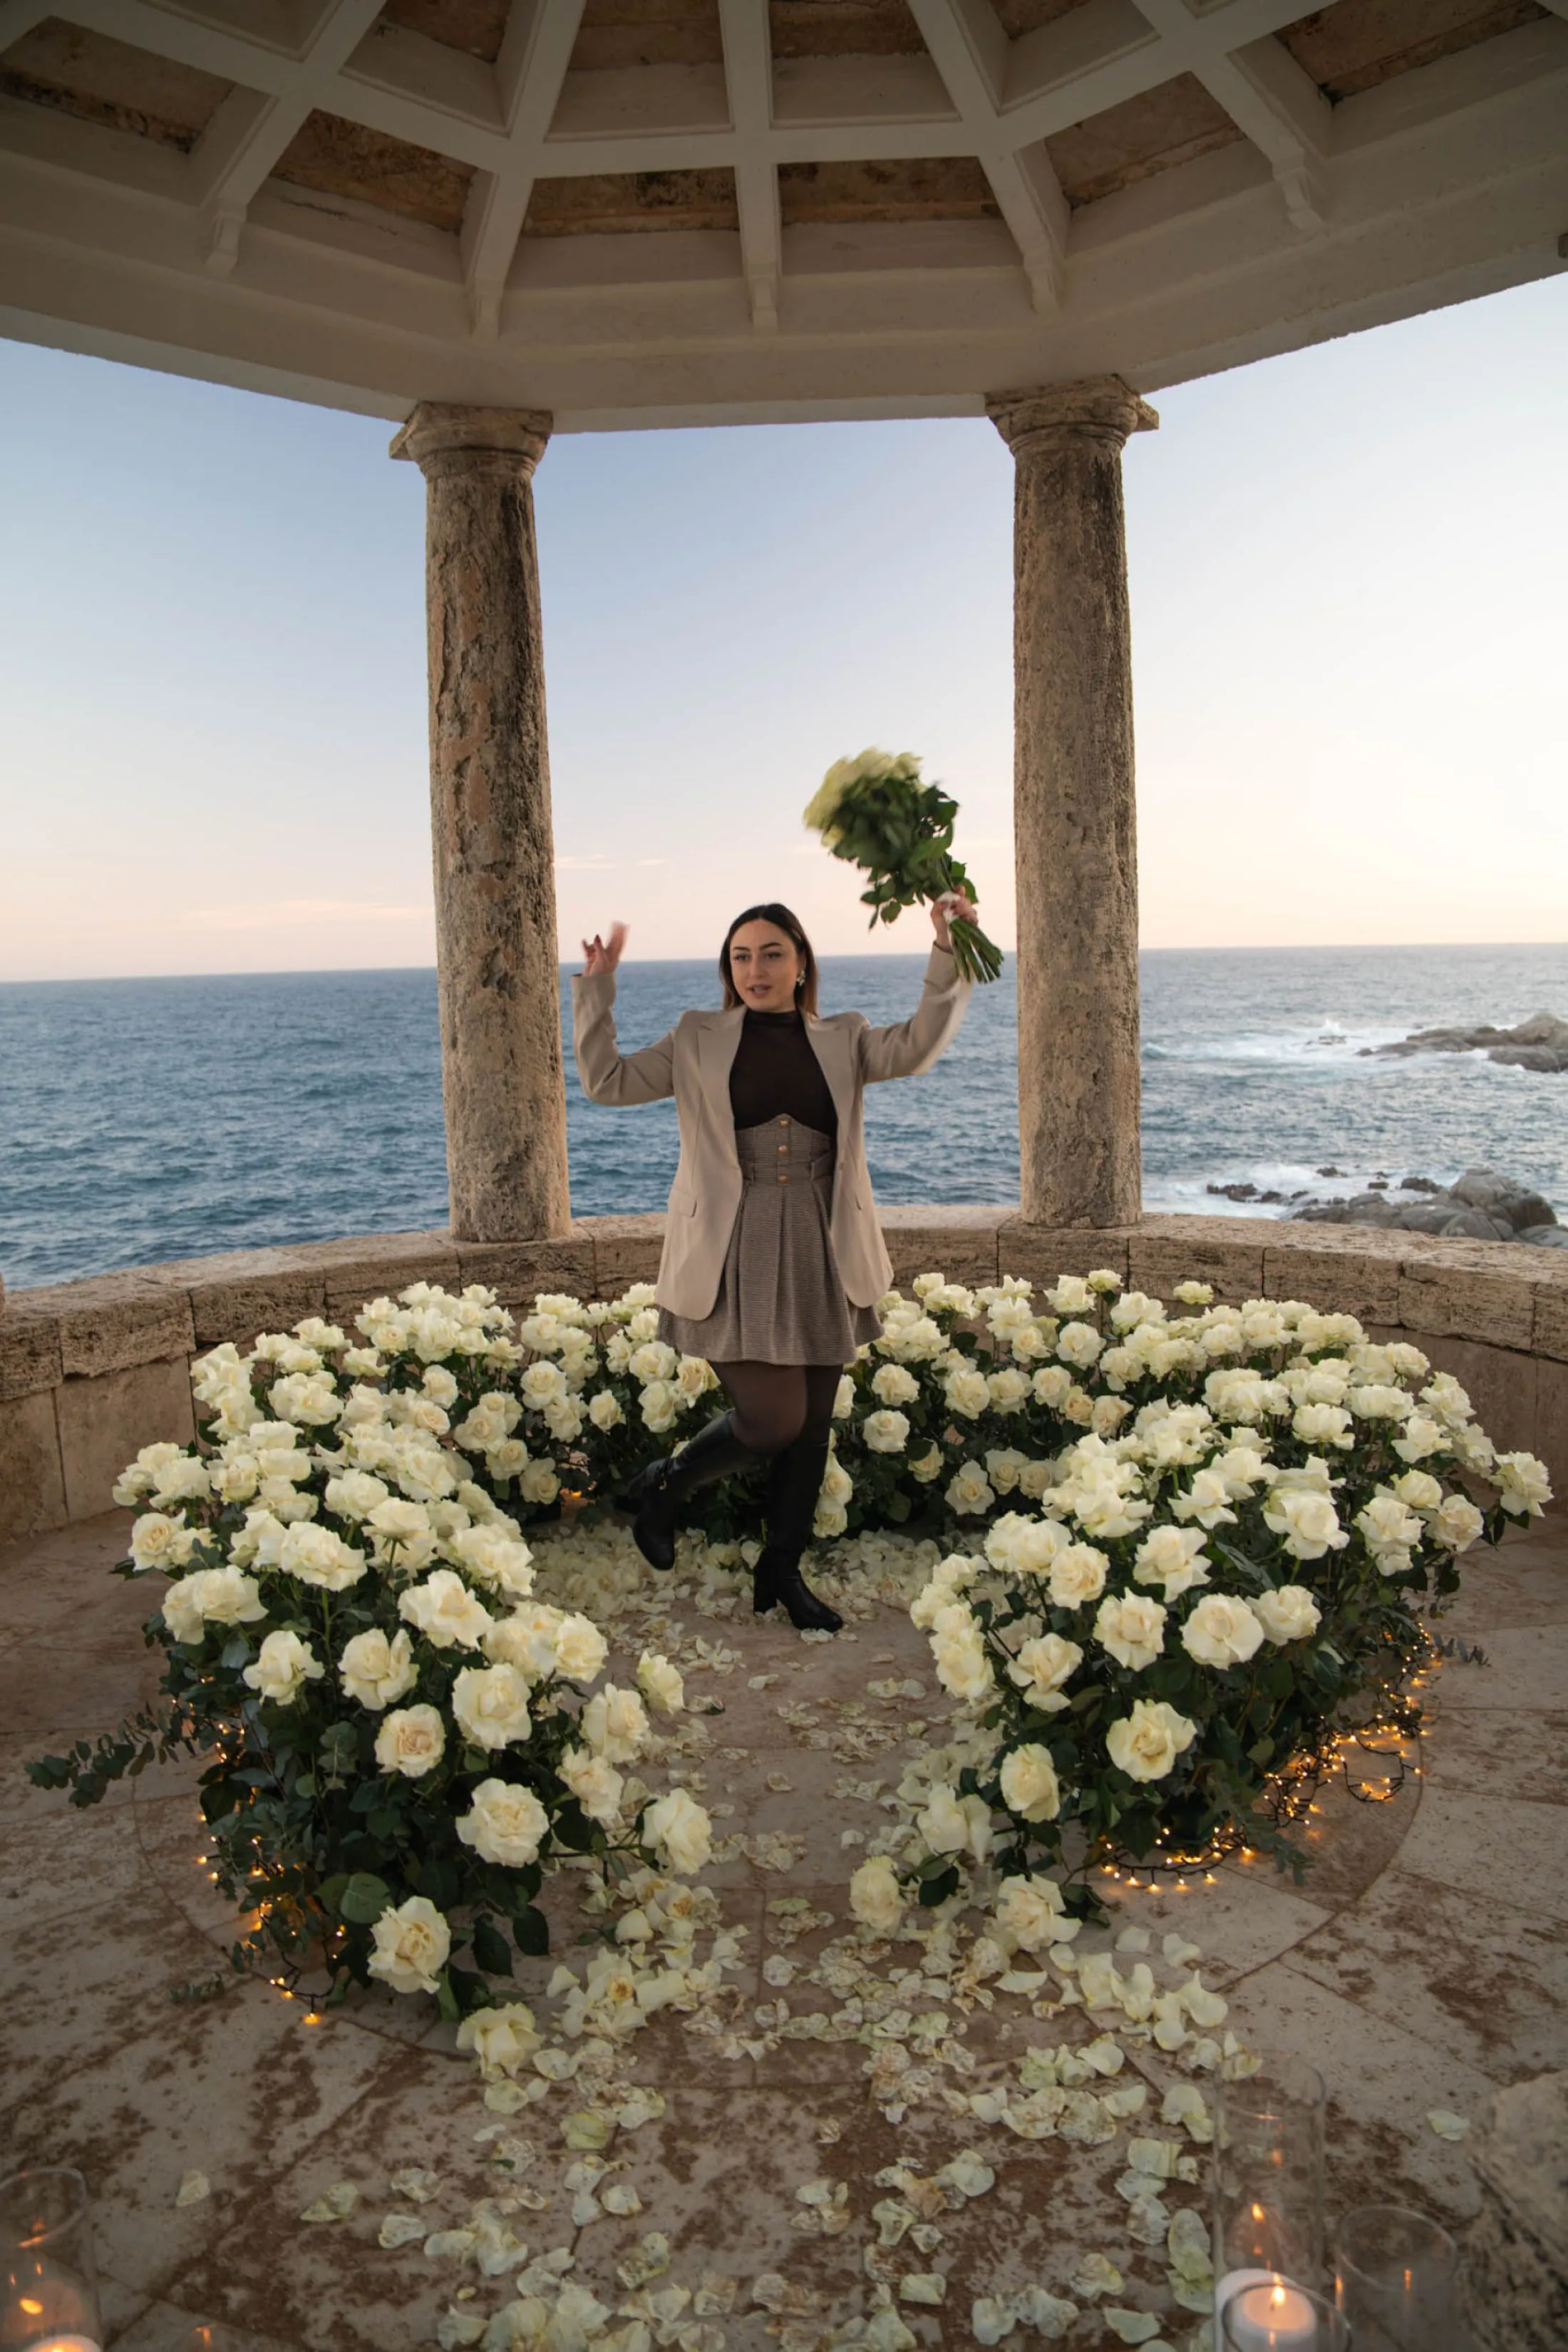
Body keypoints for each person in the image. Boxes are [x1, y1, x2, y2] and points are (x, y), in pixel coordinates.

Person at [572, 895, 975, 1632]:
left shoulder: (844, 1037)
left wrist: (948, 948)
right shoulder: (696, 1036)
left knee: (813, 1422)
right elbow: (607, 1083)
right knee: (773, 1417)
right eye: (740, 956)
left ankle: (780, 1570)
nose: (754, 969)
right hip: (731, 1241)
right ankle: (668, 1483)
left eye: (770, 953)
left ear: (800, 963)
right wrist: (597, 987)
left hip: (824, 1237)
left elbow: (916, 1046)